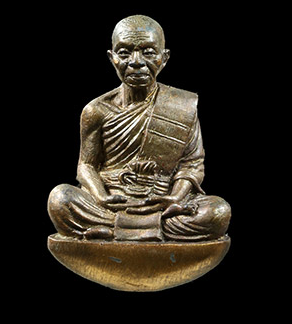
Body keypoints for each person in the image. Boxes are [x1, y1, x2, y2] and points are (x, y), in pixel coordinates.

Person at [48, 15, 231, 242]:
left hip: (161, 201)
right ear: (112, 58)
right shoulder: (96, 110)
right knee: (60, 198)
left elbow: (191, 164)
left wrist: (175, 197)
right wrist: (101, 196)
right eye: (124, 53)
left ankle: (115, 230)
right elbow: (86, 165)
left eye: (149, 52)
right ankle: (148, 230)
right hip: (114, 200)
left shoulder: (181, 106)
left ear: (164, 58)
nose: (136, 62)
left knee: (218, 211)